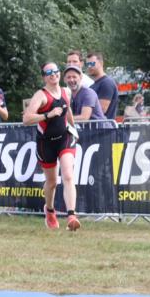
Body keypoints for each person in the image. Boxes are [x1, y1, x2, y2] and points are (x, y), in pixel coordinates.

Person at [23, 62, 80, 232]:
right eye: (49, 72)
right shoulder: (40, 95)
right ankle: (49, 211)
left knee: (68, 175)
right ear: (44, 76)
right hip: (46, 142)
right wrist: (47, 115)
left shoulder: (66, 91)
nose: (53, 74)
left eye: (55, 71)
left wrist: (74, 127)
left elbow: (67, 109)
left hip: (65, 138)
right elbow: (26, 119)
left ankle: (71, 216)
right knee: (52, 182)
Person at [86, 51, 118, 120]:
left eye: (92, 63)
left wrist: (83, 114)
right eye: (87, 64)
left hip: (104, 129)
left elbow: (102, 110)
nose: (89, 67)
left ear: (101, 63)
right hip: (94, 128)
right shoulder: (92, 86)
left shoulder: (107, 83)